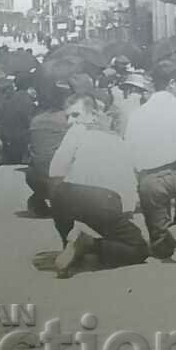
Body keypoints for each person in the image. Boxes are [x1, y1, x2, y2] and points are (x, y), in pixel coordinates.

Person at [48, 95, 149, 279]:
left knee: (58, 191)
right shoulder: (119, 141)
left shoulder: (76, 132)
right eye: (68, 117)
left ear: (93, 114)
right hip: (105, 201)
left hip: (73, 196)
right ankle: (90, 244)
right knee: (139, 249)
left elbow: (55, 171)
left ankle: (68, 244)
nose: (71, 122)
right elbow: (128, 182)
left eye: (76, 115)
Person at [126, 60, 176, 262]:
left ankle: (165, 235)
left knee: (159, 247)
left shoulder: (137, 113)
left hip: (153, 179)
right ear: (171, 83)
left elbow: (131, 153)